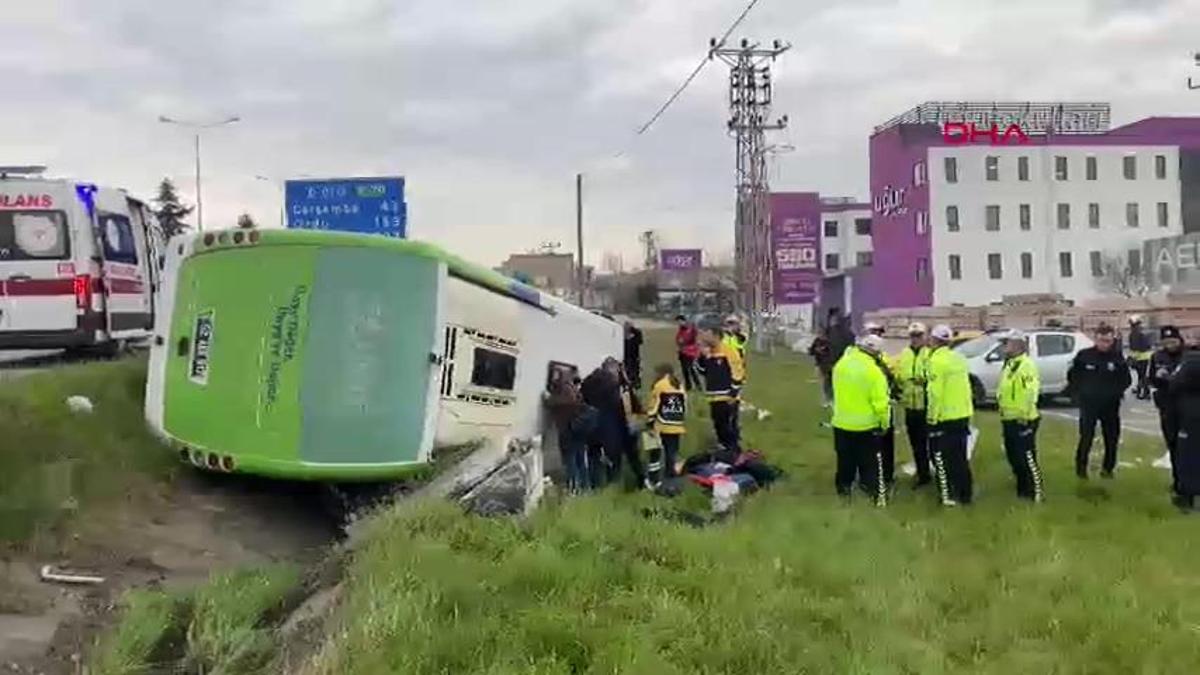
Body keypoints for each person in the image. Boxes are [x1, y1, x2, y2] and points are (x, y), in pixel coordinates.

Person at [831, 333, 891, 506]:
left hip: (841, 423)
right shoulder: (874, 372)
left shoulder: (841, 365)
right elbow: (881, 403)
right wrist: (884, 423)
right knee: (869, 463)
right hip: (866, 425)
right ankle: (872, 494)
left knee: (845, 461)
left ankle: (843, 492)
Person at [1068, 324, 1132, 479]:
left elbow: (1126, 379)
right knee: (1086, 436)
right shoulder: (1084, 356)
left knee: (1111, 438)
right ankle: (1081, 469)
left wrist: (1115, 393)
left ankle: (1108, 469)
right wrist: (1080, 393)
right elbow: (1073, 376)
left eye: (1108, 341)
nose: (1105, 344)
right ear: (1095, 339)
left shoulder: (1117, 357)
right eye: (1102, 340)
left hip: (1110, 405)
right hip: (1089, 404)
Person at [926, 324, 975, 506]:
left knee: (940, 457)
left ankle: (947, 495)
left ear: (933, 340)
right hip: (962, 415)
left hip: (944, 417)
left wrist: (932, 418)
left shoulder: (936, 362)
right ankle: (965, 494)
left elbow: (935, 393)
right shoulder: (959, 359)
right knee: (960, 457)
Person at [997, 330, 1044, 502]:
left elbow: (1031, 391)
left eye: (1007, 343)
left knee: (1027, 456)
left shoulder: (1026, 365)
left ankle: (1035, 491)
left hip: (1024, 419)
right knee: (1014, 456)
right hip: (1009, 418)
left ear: (1017, 345)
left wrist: (1024, 414)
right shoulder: (1010, 364)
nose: (1004, 346)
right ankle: (1022, 488)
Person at [861, 322, 899, 487]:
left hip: (883, 404)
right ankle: (871, 476)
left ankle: (887, 475)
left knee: (885, 444)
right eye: (874, 332)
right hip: (869, 406)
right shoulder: (863, 359)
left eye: (879, 332)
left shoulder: (883, 358)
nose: (877, 335)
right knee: (870, 445)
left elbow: (891, 377)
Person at [894, 322, 932, 488]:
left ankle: (940, 473)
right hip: (910, 406)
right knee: (916, 444)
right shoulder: (904, 354)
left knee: (932, 443)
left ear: (925, 336)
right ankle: (923, 475)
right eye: (913, 336)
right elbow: (899, 375)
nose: (916, 339)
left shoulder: (930, 354)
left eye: (919, 335)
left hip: (928, 406)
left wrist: (924, 381)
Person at [1150, 325, 1187, 496]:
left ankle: (1191, 482)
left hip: (1188, 407)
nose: (1170, 345)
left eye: (1173, 341)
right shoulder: (1157, 357)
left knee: (1189, 446)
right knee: (1172, 444)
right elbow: (1152, 380)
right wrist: (1159, 378)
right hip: (1167, 406)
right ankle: (1178, 481)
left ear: (1179, 340)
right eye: (1166, 342)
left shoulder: (1190, 356)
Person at [580, 358, 627, 489]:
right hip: (609, 424)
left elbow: (582, 399)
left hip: (591, 424)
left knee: (593, 455)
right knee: (613, 455)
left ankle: (595, 484)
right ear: (612, 369)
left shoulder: (588, 381)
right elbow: (618, 406)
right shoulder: (612, 384)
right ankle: (613, 483)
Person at [696, 329, 745, 452]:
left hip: (728, 396)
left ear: (717, 336)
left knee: (728, 426)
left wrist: (733, 392)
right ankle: (724, 449)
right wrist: (702, 356)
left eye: (708, 336)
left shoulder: (729, 350)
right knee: (718, 424)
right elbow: (702, 371)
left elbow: (738, 371)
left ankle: (734, 451)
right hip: (713, 396)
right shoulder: (708, 353)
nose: (705, 339)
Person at [543, 369, 592, 493]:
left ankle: (574, 488)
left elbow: (552, 403)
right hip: (579, 430)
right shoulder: (575, 390)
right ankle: (585, 487)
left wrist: (547, 398)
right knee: (580, 460)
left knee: (570, 461)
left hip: (567, 431)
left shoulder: (563, 392)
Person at [1167, 347, 1200, 512]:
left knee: (1187, 457)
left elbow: (1175, 384)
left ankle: (1187, 497)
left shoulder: (1189, 361)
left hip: (1189, 414)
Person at [645, 363, 687, 485]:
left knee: (654, 452)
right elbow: (685, 405)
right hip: (677, 424)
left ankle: (653, 479)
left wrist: (649, 420)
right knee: (671, 452)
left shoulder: (659, 385)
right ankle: (670, 477)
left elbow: (654, 406)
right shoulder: (679, 385)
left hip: (661, 424)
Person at [614, 363, 648, 487]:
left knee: (628, 456)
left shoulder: (618, 390)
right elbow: (638, 407)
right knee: (633, 456)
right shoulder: (627, 388)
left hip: (623, 427)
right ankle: (641, 479)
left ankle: (638, 480)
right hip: (630, 426)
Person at [1128, 315, 1154, 400]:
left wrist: (1132, 357)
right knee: (1142, 376)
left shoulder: (1135, 334)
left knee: (1142, 376)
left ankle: (1144, 392)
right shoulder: (1139, 333)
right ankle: (1143, 391)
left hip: (1141, 358)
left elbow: (1137, 347)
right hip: (1141, 358)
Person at [808, 330, 836, 406]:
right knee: (825, 381)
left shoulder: (830, 342)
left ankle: (831, 398)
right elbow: (811, 352)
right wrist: (815, 350)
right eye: (819, 334)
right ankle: (826, 399)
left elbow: (832, 352)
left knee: (831, 381)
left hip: (830, 364)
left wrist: (823, 352)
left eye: (821, 334)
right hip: (821, 364)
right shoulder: (817, 341)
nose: (820, 336)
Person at [675, 315, 701, 392]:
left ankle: (698, 385)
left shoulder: (691, 329)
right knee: (685, 370)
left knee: (692, 369)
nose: (679, 323)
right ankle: (688, 386)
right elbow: (678, 340)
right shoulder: (680, 330)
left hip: (690, 352)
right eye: (678, 322)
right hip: (682, 352)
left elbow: (693, 336)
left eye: (680, 321)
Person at [623, 321, 644, 390]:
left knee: (635, 372)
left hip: (634, 358)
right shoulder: (623, 339)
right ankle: (628, 384)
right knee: (627, 371)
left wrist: (632, 329)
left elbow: (640, 339)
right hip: (626, 358)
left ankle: (635, 384)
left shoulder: (635, 337)